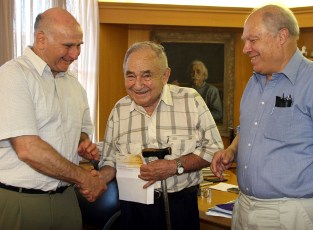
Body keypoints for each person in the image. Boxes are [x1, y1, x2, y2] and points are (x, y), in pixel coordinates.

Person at [211, 4, 313, 230]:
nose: (245, 48)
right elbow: (249, 128)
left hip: (293, 214)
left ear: (282, 36)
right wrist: (232, 151)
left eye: (252, 40)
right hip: (244, 207)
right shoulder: (254, 82)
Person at [98, 41, 223, 230]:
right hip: (132, 209)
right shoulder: (119, 110)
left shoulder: (191, 101)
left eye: (146, 76)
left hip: (179, 207)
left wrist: (175, 166)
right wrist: (98, 178)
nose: (137, 85)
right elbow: (109, 159)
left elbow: (214, 149)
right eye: (130, 76)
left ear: (165, 75)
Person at [0, 8, 107, 230]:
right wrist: (84, 178)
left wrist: (82, 142)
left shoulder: (74, 85)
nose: (76, 54)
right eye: (68, 45)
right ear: (41, 40)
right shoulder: (12, 76)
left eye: (79, 45)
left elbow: (81, 130)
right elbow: (28, 149)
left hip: (67, 201)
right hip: (21, 202)